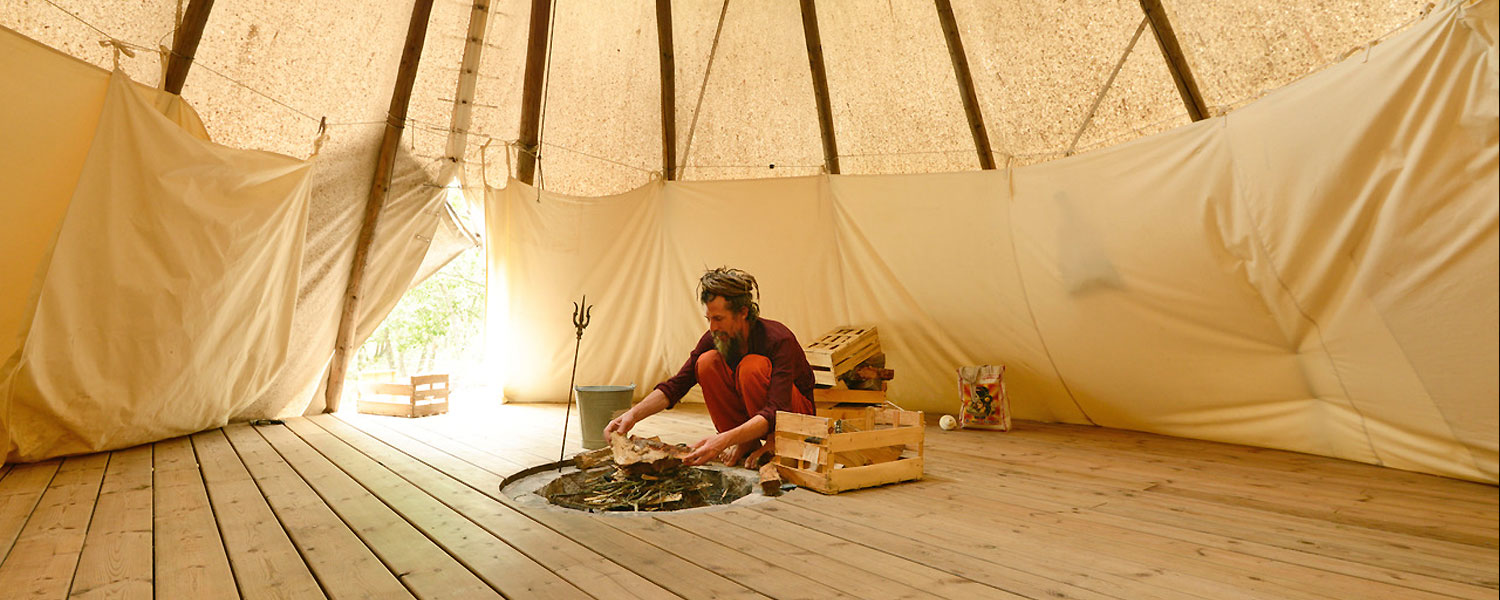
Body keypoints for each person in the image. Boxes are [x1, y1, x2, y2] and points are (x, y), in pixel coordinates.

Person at [604, 267, 816, 467]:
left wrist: (721, 441)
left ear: (742, 312)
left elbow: (775, 410)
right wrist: (631, 415)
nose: (713, 327)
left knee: (752, 367)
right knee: (706, 362)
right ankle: (747, 443)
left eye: (719, 319)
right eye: (709, 319)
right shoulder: (715, 337)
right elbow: (677, 385)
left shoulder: (779, 339)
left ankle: (775, 444)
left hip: (794, 419)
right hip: (764, 417)